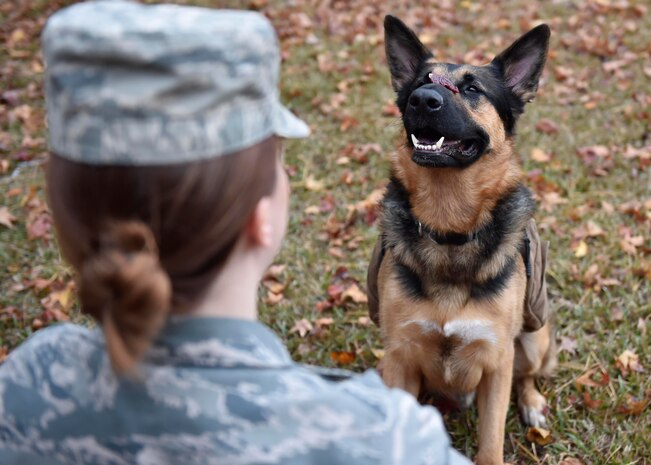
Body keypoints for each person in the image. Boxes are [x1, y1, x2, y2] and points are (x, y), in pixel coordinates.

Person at [0, 2, 471, 464]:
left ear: (66, 221)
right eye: (281, 163)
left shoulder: (25, 384)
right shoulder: (384, 440)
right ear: (260, 217)